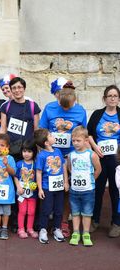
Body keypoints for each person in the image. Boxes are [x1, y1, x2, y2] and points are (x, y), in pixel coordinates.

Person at [39, 86, 86, 238]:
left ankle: (63, 221)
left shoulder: (80, 110)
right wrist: (44, 152)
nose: (66, 108)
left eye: (69, 106)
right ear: (58, 98)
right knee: (48, 188)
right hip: (51, 155)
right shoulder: (49, 108)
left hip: (71, 155)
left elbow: (83, 133)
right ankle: (45, 223)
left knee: (66, 190)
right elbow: (42, 131)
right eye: (63, 106)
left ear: (75, 100)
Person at [87, 85, 120, 237]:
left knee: (115, 190)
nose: (112, 98)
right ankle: (94, 220)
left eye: (115, 96)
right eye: (109, 96)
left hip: (117, 159)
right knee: (98, 189)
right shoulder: (97, 114)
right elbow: (89, 134)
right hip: (99, 158)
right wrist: (95, 147)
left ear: (118, 99)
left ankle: (116, 223)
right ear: (104, 99)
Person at [67, 126, 101, 246]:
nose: (75, 143)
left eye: (78, 140)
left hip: (88, 191)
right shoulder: (71, 155)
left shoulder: (91, 155)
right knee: (75, 212)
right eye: (73, 141)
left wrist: (91, 180)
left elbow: (98, 169)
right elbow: (70, 169)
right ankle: (76, 233)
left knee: (87, 213)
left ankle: (86, 234)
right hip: (74, 190)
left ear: (86, 141)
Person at [34, 128, 69, 244]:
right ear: (46, 142)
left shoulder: (58, 151)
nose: (53, 135)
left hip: (59, 186)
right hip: (47, 187)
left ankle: (56, 228)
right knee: (46, 209)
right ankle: (43, 229)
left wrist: (66, 182)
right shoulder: (41, 156)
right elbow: (38, 172)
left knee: (59, 209)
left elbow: (63, 167)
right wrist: (40, 189)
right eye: (50, 135)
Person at [0, 76, 41, 162]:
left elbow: (36, 129)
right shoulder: (5, 106)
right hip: (12, 148)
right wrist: (2, 147)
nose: (17, 90)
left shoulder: (33, 106)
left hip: (29, 149)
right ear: (11, 90)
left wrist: (38, 149)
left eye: (19, 87)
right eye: (14, 88)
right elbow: (3, 129)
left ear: (24, 88)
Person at [14, 140, 38, 239]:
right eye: (24, 151)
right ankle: (21, 228)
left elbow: (39, 176)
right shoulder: (19, 164)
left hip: (32, 193)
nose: (26, 154)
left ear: (34, 152)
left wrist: (35, 185)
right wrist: (18, 187)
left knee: (31, 211)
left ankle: (30, 228)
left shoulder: (36, 164)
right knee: (22, 211)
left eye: (29, 151)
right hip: (21, 192)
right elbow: (15, 176)